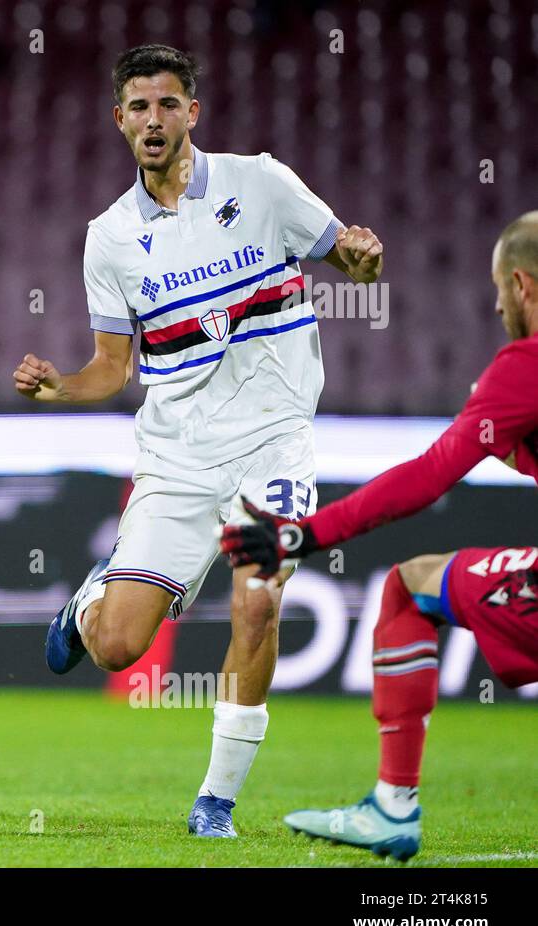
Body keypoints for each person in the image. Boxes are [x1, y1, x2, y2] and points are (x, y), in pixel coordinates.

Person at [13, 44, 384, 837]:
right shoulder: (109, 238)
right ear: (119, 120)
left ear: (193, 112)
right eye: (139, 107)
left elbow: (349, 261)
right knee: (117, 649)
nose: (154, 119)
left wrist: (363, 258)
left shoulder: (262, 183)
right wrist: (59, 387)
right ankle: (90, 603)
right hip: (178, 456)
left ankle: (214, 802)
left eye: (168, 103)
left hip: (276, 444)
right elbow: (111, 368)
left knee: (259, 605)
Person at [220, 211, 538, 860]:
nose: (496, 304)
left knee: (406, 590)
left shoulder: (523, 366)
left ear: (522, 284)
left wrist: (302, 535)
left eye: (497, 289)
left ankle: (393, 806)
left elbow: (426, 478)